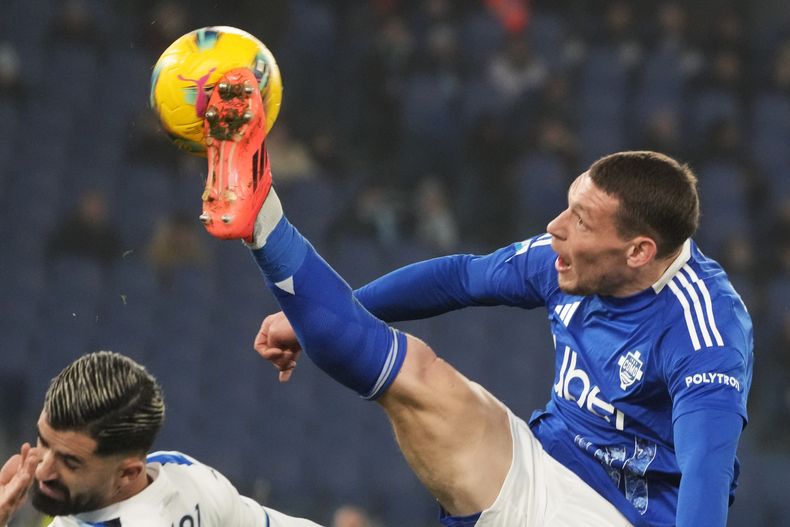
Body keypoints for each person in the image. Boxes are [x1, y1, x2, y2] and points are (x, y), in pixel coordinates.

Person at [200, 69, 752, 526]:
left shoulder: (705, 332)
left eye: (579, 221)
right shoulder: (563, 257)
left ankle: (266, 227)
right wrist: (305, 320)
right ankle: (261, 213)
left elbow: (706, 472)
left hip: (617, 516)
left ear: (638, 251)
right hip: (541, 462)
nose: (555, 227)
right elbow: (460, 278)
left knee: (418, 381)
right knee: (416, 373)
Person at [0, 351, 323, 527]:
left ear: (128, 473)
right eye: (43, 442)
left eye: (71, 462)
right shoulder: (180, 470)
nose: (43, 471)